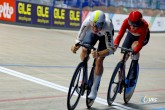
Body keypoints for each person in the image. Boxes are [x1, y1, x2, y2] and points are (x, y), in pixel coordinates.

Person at [71, 10, 114, 100]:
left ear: (102, 24)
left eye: (97, 26)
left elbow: (111, 49)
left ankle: (94, 89)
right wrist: (75, 46)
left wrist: (99, 53)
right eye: (93, 25)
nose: (94, 28)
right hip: (93, 35)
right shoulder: (87, 22)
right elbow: (79, 38)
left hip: (104, 37)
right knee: (84, 49)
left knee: (99, 60)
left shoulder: (108, 26)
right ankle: (82, 77)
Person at [114, 10, 150, 86]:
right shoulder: (126, 22)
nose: (132, 26)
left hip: (141, 38)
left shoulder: (144, 25)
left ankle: (133, 69)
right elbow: (119, 35)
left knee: (134, 46)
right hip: (130, 36)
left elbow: (140, 43)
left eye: (135, 24)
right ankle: (120, 81)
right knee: (122, 59)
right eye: (131, 24)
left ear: (139, 23)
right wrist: (115, 44)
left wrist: (134, 51)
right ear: (129, 21)